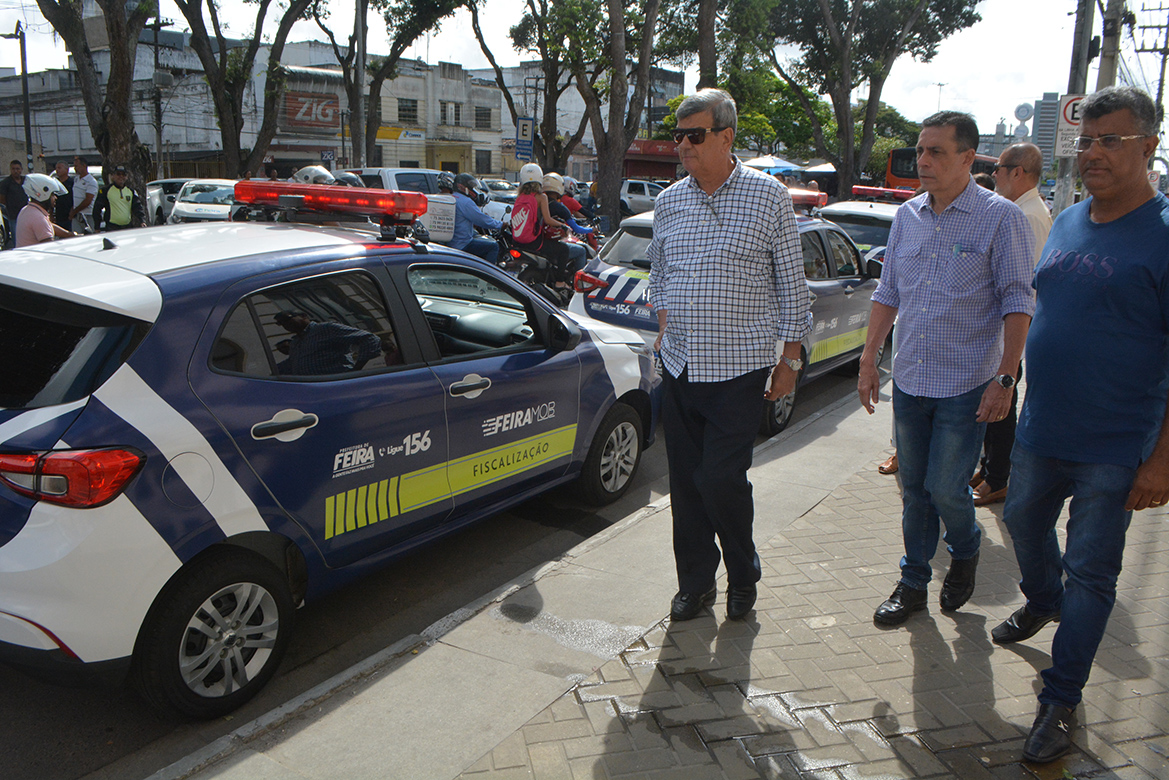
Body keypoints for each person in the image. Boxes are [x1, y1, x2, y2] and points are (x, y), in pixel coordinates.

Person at [994, 86, 1169, 764]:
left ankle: (1060, 697)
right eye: (1086, 141)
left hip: (1115, 445)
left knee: (1092, 574)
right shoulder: (1067, 220)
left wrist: (1161, 460)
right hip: (1042, 426)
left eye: (1110, 140)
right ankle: (1043, 598)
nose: (1092, 152)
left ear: (1149, 145)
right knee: (1020, 523)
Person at [856, 111, 1035, 626]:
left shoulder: (1001, 218)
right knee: (914, 489)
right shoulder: (907, 216)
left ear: (966, 157)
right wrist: (869, 359)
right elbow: (888, 292)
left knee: (944, 488)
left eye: (936, 151)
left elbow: (1018, 301)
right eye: (920, 150)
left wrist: (1006, 378)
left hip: (966, 384)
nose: (923, 160)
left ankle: (966, 546)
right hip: (911, 378)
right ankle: (914, 580)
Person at [647, 88, 810, 622]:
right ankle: (695, 584)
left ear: (725, 137)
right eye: (678, 136)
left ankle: (743, 573)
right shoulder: (670, 202)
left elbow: (792, 285)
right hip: (680, 365)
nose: (683, 145)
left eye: (695, 135)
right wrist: (665, 323)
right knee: (685, 486)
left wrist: (789, 362)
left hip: (739, 370)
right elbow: (659, 271)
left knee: (721, 480)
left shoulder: (769, 197)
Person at [970, 142, 1053, 507]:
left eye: (1000, 168)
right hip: (1004, 330)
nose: (995, 175)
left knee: (1002, 404)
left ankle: (998, 477)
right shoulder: (1021, 210)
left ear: (1018, 172)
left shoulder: (1027, 215)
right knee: (993, 407)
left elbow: (1022, 286)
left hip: (1010, 331)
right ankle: (990, 469)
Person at [509, 163, 570, 283]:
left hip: (517, 242)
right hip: (533, 243)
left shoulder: (520, 197)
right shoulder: (541, 197)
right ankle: (560, 282)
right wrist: (563, 226)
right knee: (564, 249)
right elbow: (548, 219)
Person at [273, 311, 383, 376]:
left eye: (287, 319)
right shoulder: (296, 342)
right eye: (281, 323)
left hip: (336, 384)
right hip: (312, 390)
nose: (285, 324)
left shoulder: (326, 329)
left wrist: (356, 370)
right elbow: (293, 364)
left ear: (303, 316)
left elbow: (370, 339)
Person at [439, 171, 501, 263]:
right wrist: (501, 225)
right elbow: (482, 220)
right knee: (493, 246)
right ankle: (488, 271)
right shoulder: (465, 201)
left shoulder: (451, 198)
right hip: (462, 245)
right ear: (461, 186)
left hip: (451, 243)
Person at [541, 172, 591, 272]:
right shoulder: (560, 207)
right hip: (549, 243)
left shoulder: (539, 202)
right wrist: (592, 230)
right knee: (581, 251)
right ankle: (578, 280)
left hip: (538, 240)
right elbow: (577, 229)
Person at [15, 173, 73, 247]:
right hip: (35, 254)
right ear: (43, 194)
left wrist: (70, 235)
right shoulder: (38, 217)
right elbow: (49, 247)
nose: (55, 198)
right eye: (52, 194)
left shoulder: (27, 210)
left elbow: (49, 226)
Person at [92, 164, 147, 231]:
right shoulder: (105, 191)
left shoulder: (131, 191)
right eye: (118, 174)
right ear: (113, 176)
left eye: (123, 175)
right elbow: (97, 209)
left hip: (127, 227)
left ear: (127, 177)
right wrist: (97, 227)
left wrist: (142, 221)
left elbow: (138, 207)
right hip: (112, 227)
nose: (121, 176)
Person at [0, 159, 28, 248]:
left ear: (21, 169)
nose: (15, 171)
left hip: (27, 214)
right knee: (16, 238)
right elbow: (2, 199)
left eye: (17, 169)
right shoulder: (6, 183)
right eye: (13, 169)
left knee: (28, 236)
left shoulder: (26, 181)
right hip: (13, 216)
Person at [69, 155, 99, 234]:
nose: (75, 168)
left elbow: (88, 200)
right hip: (77, 215)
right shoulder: (76, 179)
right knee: (76, 235)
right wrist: (73, 209)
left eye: (77, 166)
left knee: (89, 235)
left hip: (87, 214)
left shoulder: (91, 181)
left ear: (84, 166)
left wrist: (74, 211)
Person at [51, 160, 73, 229]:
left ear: (67, 170)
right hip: (58, 215)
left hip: (69, 216)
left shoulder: (72, 183)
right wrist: (51, 214)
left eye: (59, 168)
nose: (57, 170)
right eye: (56, 168)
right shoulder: (55, 183)